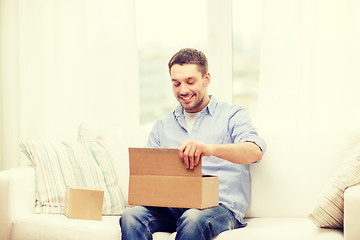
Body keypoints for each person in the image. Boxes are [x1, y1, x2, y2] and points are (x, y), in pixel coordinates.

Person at [120, 48, 266, 240]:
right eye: (176, 83)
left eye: (190, 82)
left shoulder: (232, 115)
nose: (183, 90)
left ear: (206, 79)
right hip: (171, 206)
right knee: (130, 216)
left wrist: (209, 149)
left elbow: (254, 151)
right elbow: (150, 177)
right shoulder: (163, 125)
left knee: (193, 218)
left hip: (218, 207)